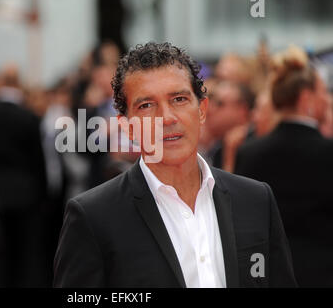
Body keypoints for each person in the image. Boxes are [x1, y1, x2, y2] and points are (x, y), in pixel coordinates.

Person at [54, 42, 296, 288]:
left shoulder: (256, 200)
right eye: (146, 105)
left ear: (202, 110)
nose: (167, 118)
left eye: (179, 99)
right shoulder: (94, 217)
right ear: (127, 126)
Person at [235, 45, 333, 287]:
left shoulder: (249, 152)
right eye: (322, 91)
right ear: (306, 98)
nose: (326, 98)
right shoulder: (328, 152)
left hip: (270, 275)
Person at [0, 65, 48, 287]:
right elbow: (39, 161)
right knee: (25, 252)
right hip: (26, 195)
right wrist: (42, 194)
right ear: (18, 83)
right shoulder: (30, 118)